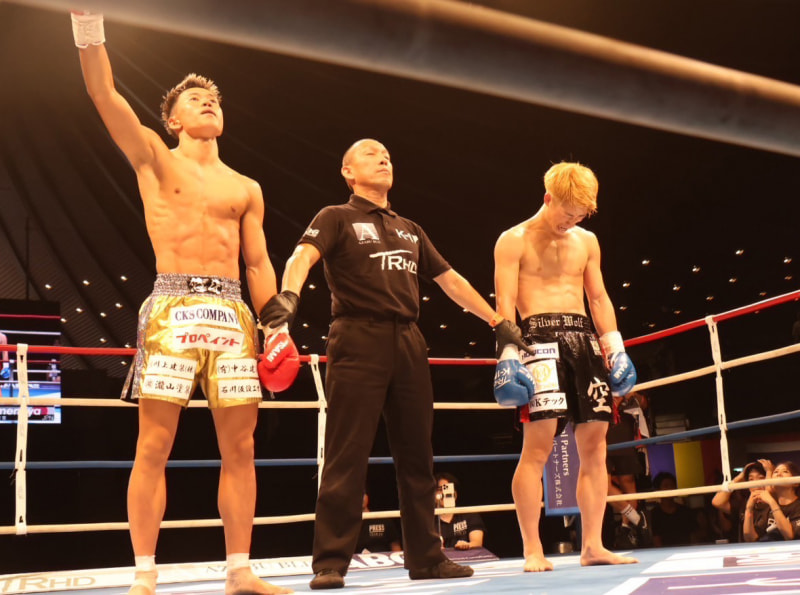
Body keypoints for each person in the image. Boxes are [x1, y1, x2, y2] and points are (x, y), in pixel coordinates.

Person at [71, 12, 293, 595]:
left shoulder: (246, 187)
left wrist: (277, 326)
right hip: (173, 306)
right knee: (153, 444)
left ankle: (239, 570)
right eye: (196, 99)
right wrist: (86, 21)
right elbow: (103, 92)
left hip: (233, 314)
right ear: (172, 119)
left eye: (215, 99)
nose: (209, 103)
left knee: (240, 447)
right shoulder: (153, 155)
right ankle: (144, 573)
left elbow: (257, 264)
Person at [258, 138, 532, 590]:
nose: (383, 158)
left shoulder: (409, 228)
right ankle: (330, 562)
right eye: (370, 154)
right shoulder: (335, 216)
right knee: (347, 452)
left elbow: (450, 280)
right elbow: (301, 256)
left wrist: (497, 321)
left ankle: (427, 557)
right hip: (356, 336)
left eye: (386, 154)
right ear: (348, 171)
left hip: (408, 339)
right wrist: (288, 295)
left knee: (417, 455)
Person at [494, 161, 639, 572]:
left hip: (584, 341)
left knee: (595, 448)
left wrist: (615, 347)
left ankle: (592, 545)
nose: (571, 221)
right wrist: (508, 354)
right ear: (548, 198)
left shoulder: (587, 241)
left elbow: (598, 298)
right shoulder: (513, 240)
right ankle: (533, 549)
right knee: (537, 448)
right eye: (567, 212)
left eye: (580, 215)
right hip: (537, 341)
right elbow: (505, 304)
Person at [606, 391, 650, 548]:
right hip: (602, 429)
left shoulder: (628, 376)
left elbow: (644, 404)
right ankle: (636, 518)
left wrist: (632, 393)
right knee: (602, 485)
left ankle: (626, 529)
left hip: (625, 429)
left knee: (628, 481)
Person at [712, 459, 770, 542]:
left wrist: (769, 472)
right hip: (745, 549)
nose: (756, 483)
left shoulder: (775, 503)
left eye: (761, 478)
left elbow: (752, 539)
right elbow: (717, 502)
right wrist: (739, 477)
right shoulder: (744, 504)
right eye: (751, 479)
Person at [742, 461, 800, 542]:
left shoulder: (797, 506)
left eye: (785, 471)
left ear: (796, 483)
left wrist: (772, 502)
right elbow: (750, 538)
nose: (779, 474)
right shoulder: (768, 508)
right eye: (776, 472)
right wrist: (749, 509)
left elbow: (789, 536)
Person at [435, 472, 486, 550]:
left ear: (455, 493)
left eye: (447, 488)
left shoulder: (469, 514)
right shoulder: (427, 519)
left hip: (466, 556)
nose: (444, 493)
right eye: (440, 489)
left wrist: (467, 545)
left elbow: (477, 542)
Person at [649, 472, 698, 547]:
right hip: (664, 552)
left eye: (672, 485)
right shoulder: (655, 514)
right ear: (658, 490)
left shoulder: (685, 511)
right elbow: (656, 541)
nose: (670, 488)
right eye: (666, 486)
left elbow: (693, 537)